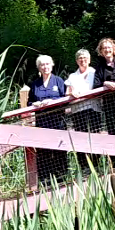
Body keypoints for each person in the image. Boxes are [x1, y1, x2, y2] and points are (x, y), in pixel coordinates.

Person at [28, 54, 69, 183]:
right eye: (42, 65)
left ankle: (61, 176)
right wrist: (34, 104)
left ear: (52, 65)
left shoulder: (59, 81)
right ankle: (45, 178)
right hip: (42, 121)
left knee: (59, 147)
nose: (45, 67)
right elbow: (29, 102)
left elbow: (65, 100)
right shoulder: (35, 85)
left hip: (57, 121)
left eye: (47, 64)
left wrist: (52, 101)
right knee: (43, 149)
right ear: (39, 68)